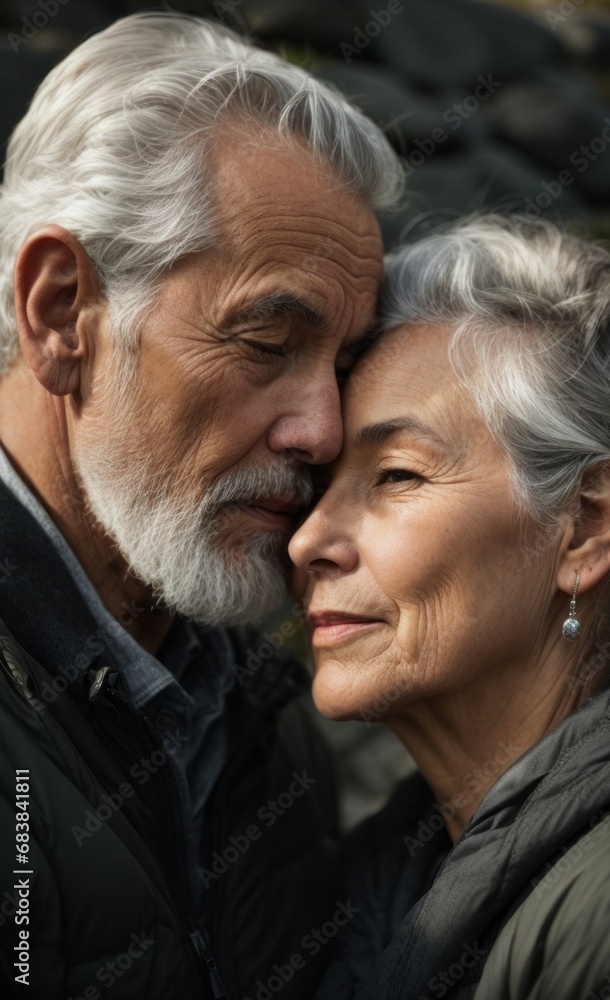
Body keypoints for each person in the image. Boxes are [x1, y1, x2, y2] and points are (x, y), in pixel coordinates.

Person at [0, 12, 402, 999]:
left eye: (344, 367)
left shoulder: (257, 707)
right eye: (267, 342)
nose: (320, 429)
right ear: (61, 313)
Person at [290, 214, 610, 999]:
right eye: (316, 486)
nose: (308, 540)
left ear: (586, 526)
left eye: (395, 475)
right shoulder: (384, 878)